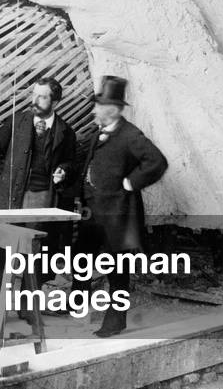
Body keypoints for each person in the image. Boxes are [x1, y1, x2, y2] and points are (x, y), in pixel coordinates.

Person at [0, 77, 77, 319]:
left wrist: (63, 171)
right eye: (34, 94)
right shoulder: (18, 121)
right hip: (9, 196)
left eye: (42, 96)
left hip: (42, 198)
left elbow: (70, 162)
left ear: (55, 102)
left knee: (34, 255)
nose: (35, 100)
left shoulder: (66, 132)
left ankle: (27, 309)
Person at [73, 75, 168, 337]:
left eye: (98, 106)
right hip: (93, 211)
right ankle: (77, 303)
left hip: (118, 214)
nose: (93, 111)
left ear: (113, 110)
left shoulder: (130, 135)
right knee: (80, 256)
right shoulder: (99, 133)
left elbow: (157, 162)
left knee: (116, 269)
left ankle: (115, 322)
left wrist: (131, 183)